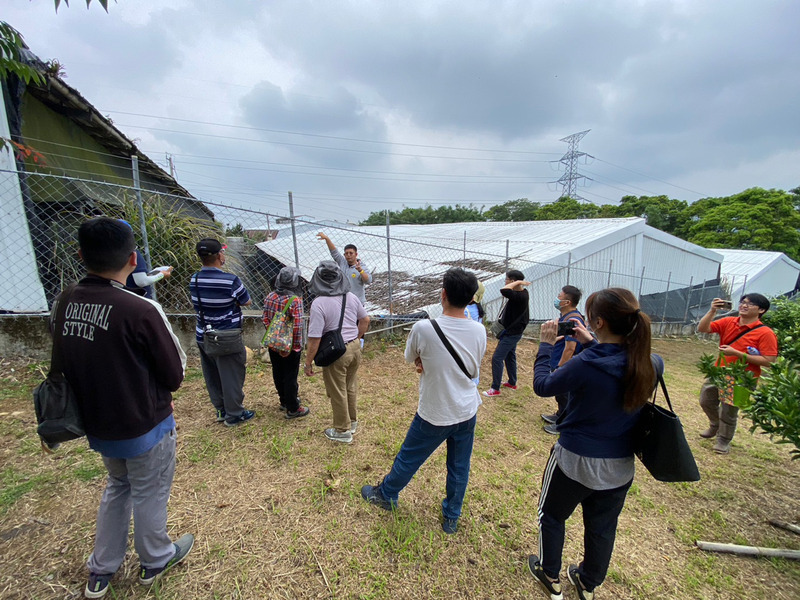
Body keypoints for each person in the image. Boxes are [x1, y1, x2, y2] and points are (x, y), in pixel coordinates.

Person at [51, 218, 193, 599]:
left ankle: (101, 570)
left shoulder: (65, 301)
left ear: (81, 256)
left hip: (98, 425)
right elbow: (173, 373)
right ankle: (157, 558)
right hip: (145, 423)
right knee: (149, 491)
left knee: (117, 487)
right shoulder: (139, 310)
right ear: (134, 259)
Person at [528, 288, 659, 600]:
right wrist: (593, 343)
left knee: (552, 515)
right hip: (620, 467)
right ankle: (588, 583)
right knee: (601, 528)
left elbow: (543, 386)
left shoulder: (585, 364)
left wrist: (545, 348)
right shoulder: (651, 363)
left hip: (574, 461)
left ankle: (550, 573)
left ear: (598, 322)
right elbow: (614, 365)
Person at [361, 268, 487, 534]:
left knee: (410, 457)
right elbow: (473, 368)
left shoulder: (424, 327)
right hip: (467, 409)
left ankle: (386, 494)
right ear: (471, 298)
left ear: (443, 295)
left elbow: (410, 357)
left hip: (435, 411)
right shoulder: (479, 330)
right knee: (459, 466)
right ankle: (451, 517)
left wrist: (424, 359)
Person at [696, 294, 778, 454]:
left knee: (729, 410)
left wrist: (738, 353)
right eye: (743, 302)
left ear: (761, 310)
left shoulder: (765, 333)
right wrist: (712, 311)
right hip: (719, 371)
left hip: (743, 377)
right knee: (706, 400)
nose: (744, 305)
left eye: (750, 304)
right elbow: (703, 328)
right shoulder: (729, 322)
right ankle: (715, 424)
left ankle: (723, 440)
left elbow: (769, 360)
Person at [189, 238, 254, 426]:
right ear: (219, 255)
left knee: (212, 373)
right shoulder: (230, 280)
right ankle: (235, 414)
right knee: (232, 374)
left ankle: (221, 409)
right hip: (226, 335)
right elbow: (246, 301)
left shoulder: (195, 279)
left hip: (204, 334)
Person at [304, 261, 370, 443]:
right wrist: (354, 337)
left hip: (336, 353)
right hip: (355, 348)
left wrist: (308, 362)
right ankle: (352, 422)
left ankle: (342, 431)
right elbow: (365, 319)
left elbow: (315, 338)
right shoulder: (350, 296)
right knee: (350, 386)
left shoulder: (318, 304)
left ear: (317, 279)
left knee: (337, 391)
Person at [262, 267, 309, 419]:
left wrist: (274, 338)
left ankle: (284, 401)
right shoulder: (295, 301)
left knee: (278, 372)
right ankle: (293, 408)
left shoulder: (270, 296)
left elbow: (265, 319)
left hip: (273, 343)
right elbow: (297, 326)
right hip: (290, 346)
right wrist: (293, 346)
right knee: (290, 375)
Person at [542, 285, 586, 435]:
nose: (556, 299)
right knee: (560, 393)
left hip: (566, 364)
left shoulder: (572, 319)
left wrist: (561, 367)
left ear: (567, 302)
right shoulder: (566, 317)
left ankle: (563, 424)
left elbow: (570, 347)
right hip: (559, 361)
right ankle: (559, 415)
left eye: (559, 297)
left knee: (566, 394)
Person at [484, 270, 530, 397]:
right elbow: (506, 290)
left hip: (512, 333)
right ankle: (512, 382)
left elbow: (503, 290)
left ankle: (495, 388)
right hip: (513, 331)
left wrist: (518, 282)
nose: (505, 282)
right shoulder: (521, 293)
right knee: (510, 356)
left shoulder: (520, 296)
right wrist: (517, 283)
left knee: (497, 358)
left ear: (513, 281)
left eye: (507, 279)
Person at [118, 220, 173, 299]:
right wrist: (161, 275)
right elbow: (141, 281)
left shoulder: (111, 253)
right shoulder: (132, 253)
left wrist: (155, 271)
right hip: (137, 299)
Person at [316, 231, 372, 305]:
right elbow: (334, 252)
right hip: (343, 301)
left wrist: (360, 271)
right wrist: (327, 239)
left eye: (351, 253)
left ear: (356, 254)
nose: (348, 255)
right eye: (346, 253)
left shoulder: (362, 266)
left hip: (357, 302)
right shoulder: (342, 262)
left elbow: (368, 280)